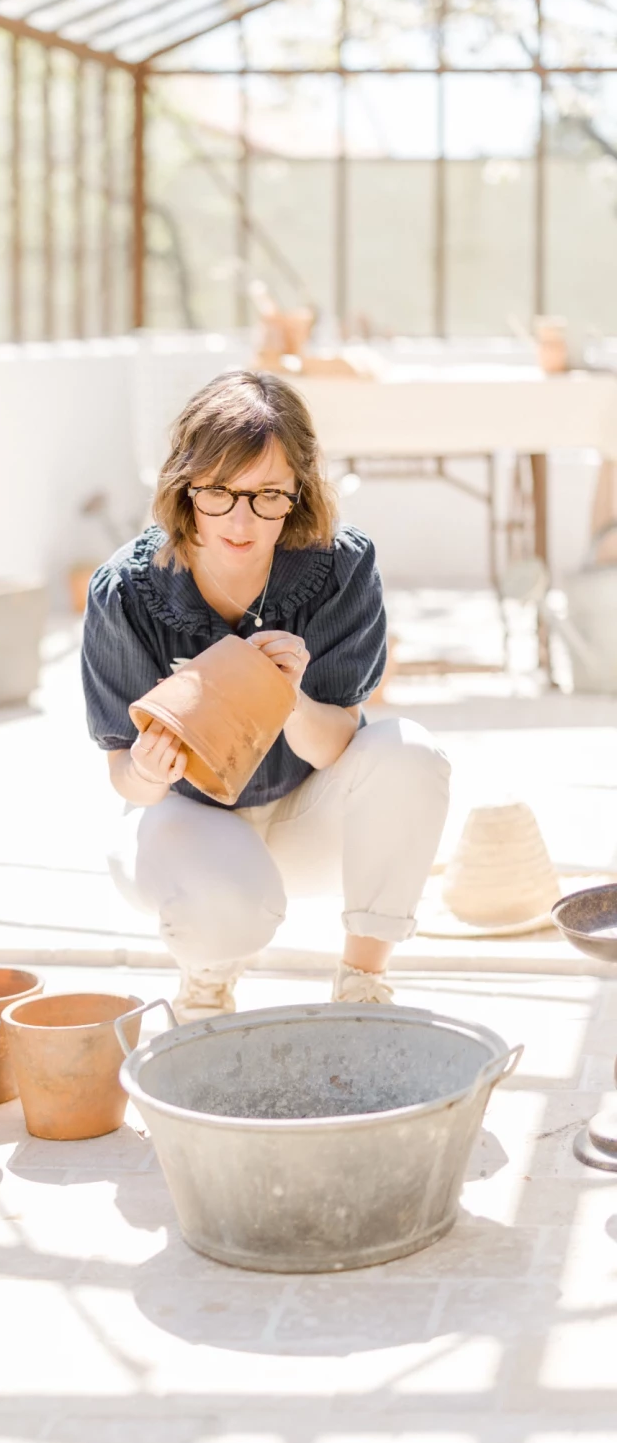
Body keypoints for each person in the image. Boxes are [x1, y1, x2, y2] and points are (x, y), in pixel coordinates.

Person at [83, 370, 450, 1021]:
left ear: (299, 492)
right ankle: (206, 977)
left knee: (411, 754)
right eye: (220, 492)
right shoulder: (126, 591)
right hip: (186, 825)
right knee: (225, 908)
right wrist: (144, 767)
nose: (243, 519)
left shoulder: (340, 568)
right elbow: (124, 778)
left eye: (268, 495)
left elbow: (338, 743)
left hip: (303, 812)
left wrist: (292, 700)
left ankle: (362, 988)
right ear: (185, 483)